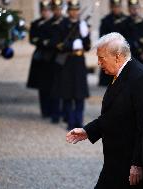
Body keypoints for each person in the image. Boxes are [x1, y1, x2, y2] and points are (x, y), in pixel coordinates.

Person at [66, 32, 143, 189]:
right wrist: (88, 131)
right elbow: (115, 115)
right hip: (115, 160)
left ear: (118, 56)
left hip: (129, 164)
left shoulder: (141, 78)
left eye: (102, 58)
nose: (99, 63)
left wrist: (138, 163)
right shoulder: (121, 73)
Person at [58, 0, 91, 130]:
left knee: (80, 93)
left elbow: (87, 46)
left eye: (76, 10)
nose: (74, 12)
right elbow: (59, 45)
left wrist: (85, 35)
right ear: (68, 11)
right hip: (67, 61)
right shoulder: (62, 24)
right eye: (72, 10)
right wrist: (72, 45)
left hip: (79, 62)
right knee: (68, 93)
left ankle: (79, 120)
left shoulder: (82, 25)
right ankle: (70, 122)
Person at [27, 0, 54, 119]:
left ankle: (53, 110)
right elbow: (32, 39)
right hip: (41, 58)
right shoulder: (36, 23)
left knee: (53, 86)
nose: (45, 13)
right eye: (43, 10)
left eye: (47, 10)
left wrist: (46, 42)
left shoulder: (55, 23)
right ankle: (45, 111)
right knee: (42, 87)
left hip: (52, 57)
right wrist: (43, 41)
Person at [98, 0, 127, 86]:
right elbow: (102, 38)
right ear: (111, 7)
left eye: (118, 7)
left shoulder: (126, 20)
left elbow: (130, 36)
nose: (116, 9)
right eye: (114, 7)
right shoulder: (106, 20)